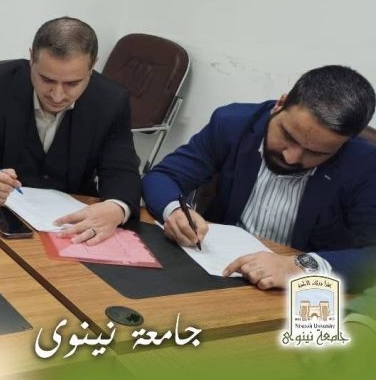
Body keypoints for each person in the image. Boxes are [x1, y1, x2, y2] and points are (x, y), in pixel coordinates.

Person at [142, 65, 376, 290]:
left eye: (316, 152)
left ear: (344, 145)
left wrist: (299, 267)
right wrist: (175, 211)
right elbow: (164, 176)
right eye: (288, 136)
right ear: (280, 104)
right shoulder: (232, 124)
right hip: (215, 271)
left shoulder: (364, 164)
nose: (291, 157)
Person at [0, 17, 142, 244]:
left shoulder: (111, 101)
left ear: (92, 66)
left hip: (70, 231)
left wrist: (116, 208)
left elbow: (122, 171)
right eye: (46, 79)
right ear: (32, 58)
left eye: (72, 84)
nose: (57, 95)